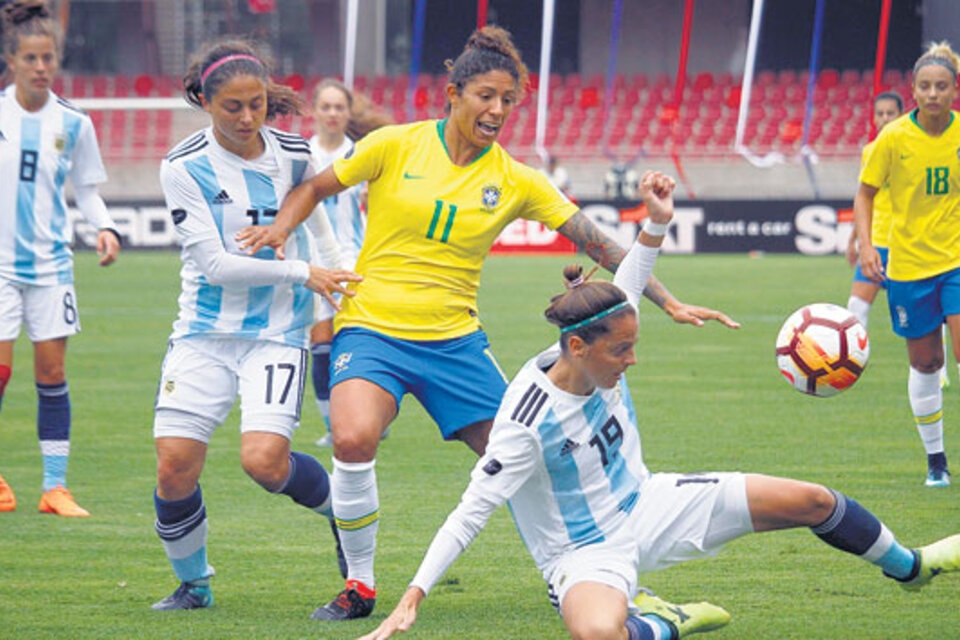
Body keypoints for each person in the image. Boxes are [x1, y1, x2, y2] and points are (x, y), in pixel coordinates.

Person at [237, 26, 739, 621]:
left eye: (508, 100)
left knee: (533, 460)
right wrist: (280, 229)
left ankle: (577, 574)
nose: (497, 110)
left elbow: (598, 244)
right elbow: (316, 186)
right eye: (485, 96)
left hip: (455, 343)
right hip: (372, 330)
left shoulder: (518, 180)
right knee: (351, 437)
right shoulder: (393, 145)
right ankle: (360, 585)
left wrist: (667, 300)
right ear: (454, 93)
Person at [358, 170, 960, 640]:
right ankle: (668, 621)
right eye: (621, 352)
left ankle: (911, 566)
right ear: (576, 347)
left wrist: (657, 220)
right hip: (583, 551)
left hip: (651, 502)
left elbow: (636, 275)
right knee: (597, 631)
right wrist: (414, 595)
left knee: (812, 500)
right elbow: (471, 510)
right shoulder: (525, 421)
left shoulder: (605, 328)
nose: (632, 360)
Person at [149, 38, 362, 612]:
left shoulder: (295, 155)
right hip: (203, 332)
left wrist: (339, 279)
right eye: (232, 107)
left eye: (258, 104)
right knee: (174, 468)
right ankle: (194, 584)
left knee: (265, 464)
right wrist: (303, 273)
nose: (248, 118)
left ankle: (346, 516)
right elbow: (214, 264)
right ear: (204, 102)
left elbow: (322, 230)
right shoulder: (182, 166)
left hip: (275, 335)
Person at [0, 0, 121, 517]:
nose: (42, 67)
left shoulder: (74, 122)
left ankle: (55, 488)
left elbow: (87, 190)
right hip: (0, 266)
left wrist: (106, 226)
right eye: (31, 58)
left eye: (48, 57)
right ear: (11, 60)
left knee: (51, 375)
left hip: (51, 267)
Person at [855, 41, 960, 488]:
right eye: (925, 86)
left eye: (941, 86)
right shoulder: (893, 137)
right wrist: (865, 245)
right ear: (913, 91)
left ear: (955, 89)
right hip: (909, 268)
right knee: (927, 363)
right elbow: (865, 193)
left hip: (955, 261)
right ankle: (935, 460)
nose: (933, 93)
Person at [845, 92, 951, 389]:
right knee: (857, 303)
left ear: (902, 114)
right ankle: (851, 362)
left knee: (934, 312)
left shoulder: (914, 145)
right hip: (877, 241)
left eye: (890, 113)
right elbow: (864, 197)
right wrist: (856, 239)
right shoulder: (871, 151)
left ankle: (938, 370)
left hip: (909, 244)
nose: (884, 119)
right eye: (879, 114)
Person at [306, 79, 392, 447]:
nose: (332, 113)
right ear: (315, 111)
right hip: (312, 265)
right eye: (325, 106)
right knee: (321, 346)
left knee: (361, 344)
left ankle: (374, 418)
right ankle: (332, 427)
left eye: (339, 107)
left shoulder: (363, 153)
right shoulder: (302, 156)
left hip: (355, 260)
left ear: (348, 112)